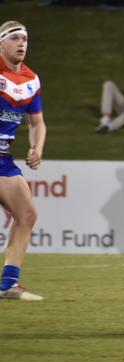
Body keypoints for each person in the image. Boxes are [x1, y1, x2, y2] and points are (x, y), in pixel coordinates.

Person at [0, 20, 47, 301]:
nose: (21, 44)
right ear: (1, 43)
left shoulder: (31, 79)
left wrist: (36, 148)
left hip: (3, 160)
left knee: (27, 215)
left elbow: (37, 123)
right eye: (15, 38)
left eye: (25, 39)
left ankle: (8, 284)